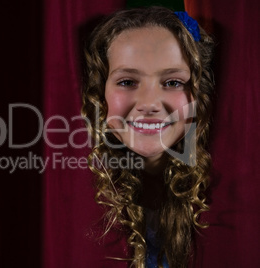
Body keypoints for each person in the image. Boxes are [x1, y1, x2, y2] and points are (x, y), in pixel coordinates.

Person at [81, 6, 215, 268]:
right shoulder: (83, 189)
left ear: (200, 94)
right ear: (100, 93)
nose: (150, 103)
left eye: (173, 82)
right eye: (127, 81)